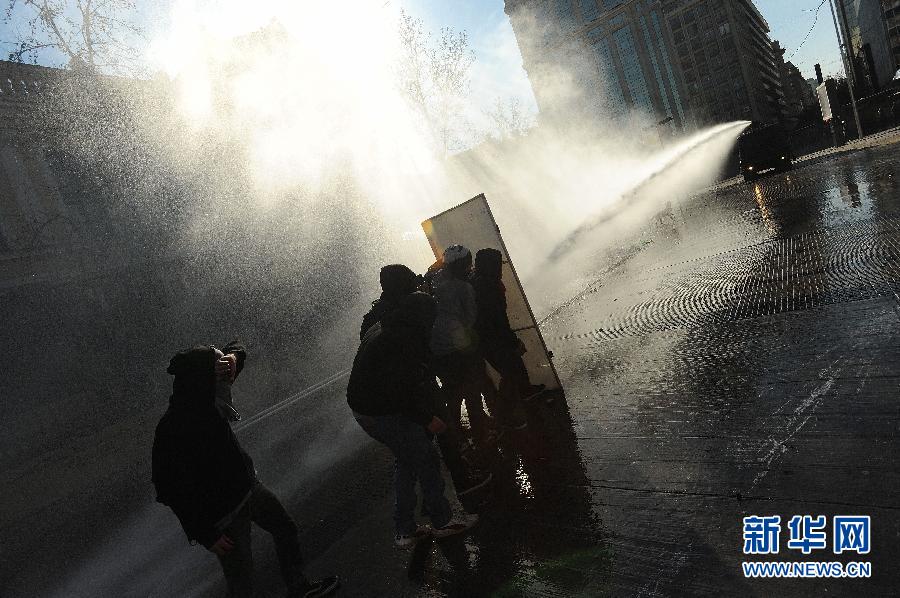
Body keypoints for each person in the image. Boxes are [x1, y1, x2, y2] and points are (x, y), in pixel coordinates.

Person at [152, 342, 339, 598]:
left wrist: (230, 357)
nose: (228, 380)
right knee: (242, 583)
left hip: (249, 489)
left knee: (285, 529)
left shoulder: (209, 396)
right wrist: (206, 535)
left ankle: (299, 588)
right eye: (220, 374)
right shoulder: (173, 427)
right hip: (224, 517)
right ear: (203, 378)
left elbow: (237, 351)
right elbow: (169, 489)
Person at [347, 292, 478, 547]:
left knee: (407, 461)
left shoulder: (384, 325)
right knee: (426, 459)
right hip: (383, 412)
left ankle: (405, 530)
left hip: (365, 410)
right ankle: (442, 521)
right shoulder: (405, 339)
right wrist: (427, 418)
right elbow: (401, 390)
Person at [359, 264, 492, 500]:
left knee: (413, 451)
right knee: (442, 429)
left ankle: (424, 506)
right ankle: (462, 481)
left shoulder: (373, 314)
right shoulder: (408, 307)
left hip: (395, 391)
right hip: (416, 384)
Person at [471, 248, 547, 416]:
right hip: (491, 338)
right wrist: (513, 342)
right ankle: (505, 413)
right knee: (510, 372)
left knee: (512, 368)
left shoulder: (477, 282)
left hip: (484, 338)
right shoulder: (488, 287)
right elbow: (498, 320)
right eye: (497, 265)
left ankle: (524, 393)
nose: (500, 269)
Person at [429, 245, 493, 440]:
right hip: (458, 348)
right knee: (472, 390)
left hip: (436, 349)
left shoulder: (434, 280)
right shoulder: (463, 287)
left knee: (452, 392)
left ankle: (454, 431)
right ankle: (481, 433)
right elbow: (471, 318)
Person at [359, 264, 422, 341]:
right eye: (414, 286)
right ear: (403, 288)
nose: (418, 290)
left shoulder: (377, 314)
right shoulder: (401, 315)